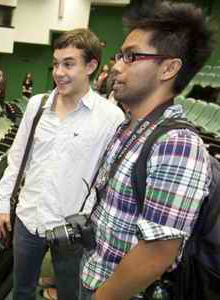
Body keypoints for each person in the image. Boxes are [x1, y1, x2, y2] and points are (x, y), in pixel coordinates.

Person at [80, 1, 216, 300]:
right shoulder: (129, 126)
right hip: (96, 276)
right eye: (120, 55)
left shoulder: (177, 144)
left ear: (168, 68)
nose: (116, 66)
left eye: (131, 57)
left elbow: (156, 255)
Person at [0, 29, 124, 300]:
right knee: (21, 291)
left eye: (68, 64)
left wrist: (86, 217)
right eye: (55, 64)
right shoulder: (36, 105)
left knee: (71, 295)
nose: (59, 72)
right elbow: (17, 159)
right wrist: (3, 205)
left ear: (91, 66)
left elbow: (106, 178)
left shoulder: (111, 117)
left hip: (72, 229)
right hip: (28, 219)